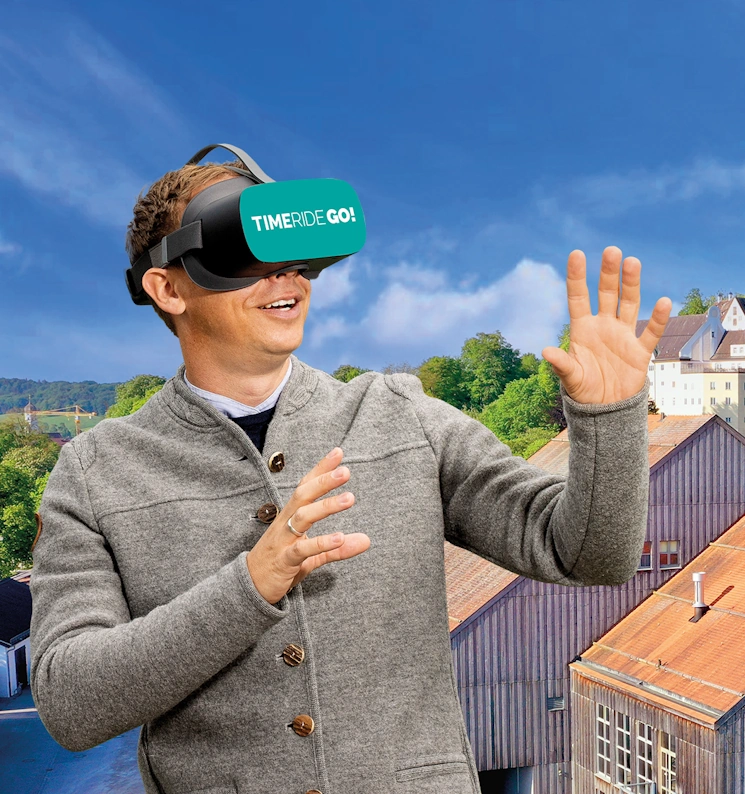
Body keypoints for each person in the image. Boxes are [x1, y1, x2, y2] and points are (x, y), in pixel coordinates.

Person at [28, 156, 672, 794]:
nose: (285, 277)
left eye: (295, 253)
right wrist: (251, 583)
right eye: (246, 254)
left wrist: (609, 417)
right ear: (169, 288)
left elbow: (591, 554)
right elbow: (71, 702)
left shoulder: (401, 417)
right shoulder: (95, 473)